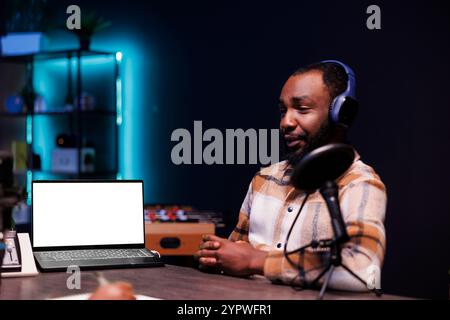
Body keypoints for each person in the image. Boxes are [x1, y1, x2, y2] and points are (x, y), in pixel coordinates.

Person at [195, 61, 387, 291]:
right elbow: (236, 255)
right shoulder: (264, 179)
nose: (286, 122)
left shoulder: (361, 184)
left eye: (302, 109)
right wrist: (217, 256)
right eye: (283, 111)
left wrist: (257, 261)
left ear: (340, 114)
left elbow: (363, 271)